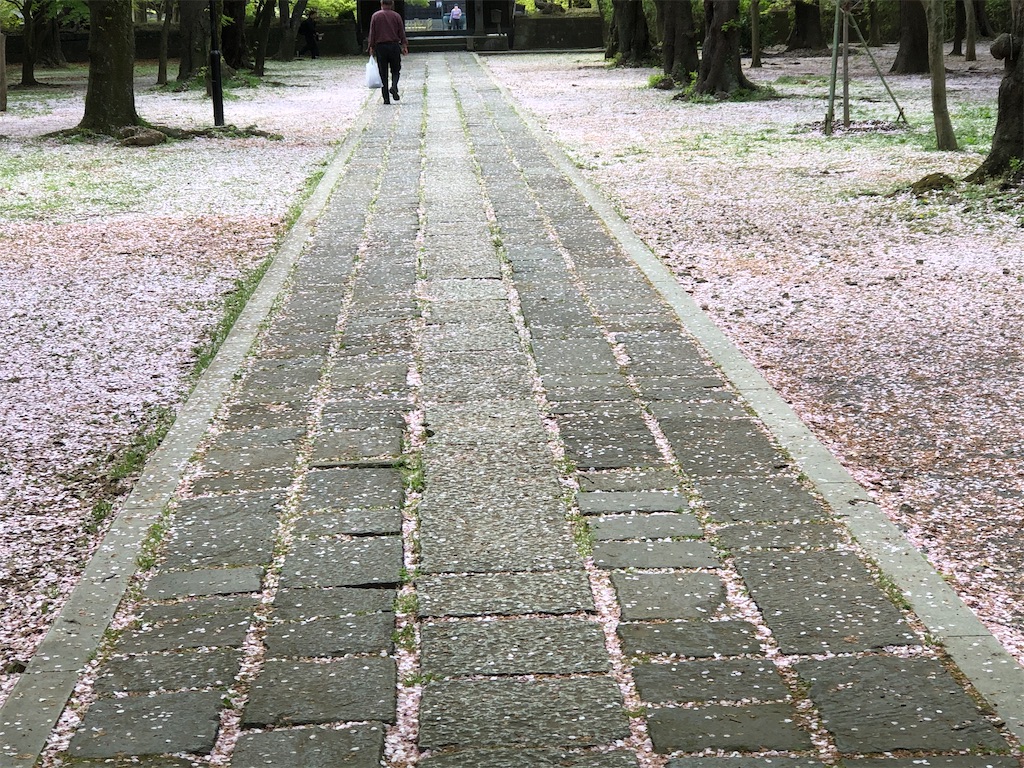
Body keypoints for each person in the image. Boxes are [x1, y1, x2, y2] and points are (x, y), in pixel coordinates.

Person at [368, 0, 408, 105]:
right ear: (392, 4)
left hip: (381, 47)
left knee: (383, 72)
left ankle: (386, 99)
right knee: (396, 70)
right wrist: (404, 45)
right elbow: (401, 31)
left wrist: (371, 46)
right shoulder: (396, 16)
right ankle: (394, 86)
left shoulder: (375, 16)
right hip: (394, 45)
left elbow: (372, 32)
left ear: (381, 4)